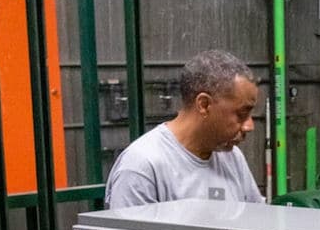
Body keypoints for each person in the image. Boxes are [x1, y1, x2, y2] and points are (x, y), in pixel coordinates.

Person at [105, 49, 263, 209]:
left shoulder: (232, 158)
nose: (249, 126)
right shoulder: (142, 167)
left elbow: (257, 223)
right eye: (242, 113)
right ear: (204, 105)